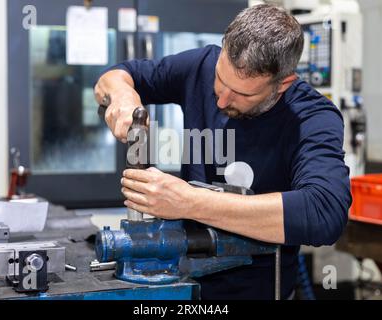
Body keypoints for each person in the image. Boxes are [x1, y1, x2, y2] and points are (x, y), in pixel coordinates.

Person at [94, 4, 351, 300]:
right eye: (220, 79)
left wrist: (189, 202)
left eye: (243, 94)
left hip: (258, 291)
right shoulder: (201, 65)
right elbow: (116, 75)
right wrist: (124, 96)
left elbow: (325, 212)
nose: (221, 100)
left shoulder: (312, 117)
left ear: (283, 85)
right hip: (184, 282)